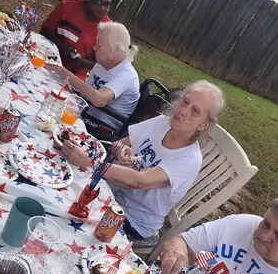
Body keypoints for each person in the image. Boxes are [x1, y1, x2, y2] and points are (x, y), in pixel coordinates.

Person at [60, 80, 224, 240]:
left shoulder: (189, 160)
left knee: (67, 220)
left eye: (195, 111)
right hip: (108, 191)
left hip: (131, 218)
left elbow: (139, 181)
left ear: (204, 125)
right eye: (185, 102)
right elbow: (120, 144)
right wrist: (122, 150)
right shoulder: (162, 122)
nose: (183, 111)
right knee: (62, 183)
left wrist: (92, 163)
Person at [46, 21, 140, 121]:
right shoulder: (103, 63)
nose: (94, 48)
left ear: (115, 50)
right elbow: (83, 92)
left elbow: (98, 100)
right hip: (87, 114)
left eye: (99, 45)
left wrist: (62, 71)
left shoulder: (126, 75)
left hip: (101, 127)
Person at [40, 0, 120, 80]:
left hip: (75, 75)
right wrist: (63, 47)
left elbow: (100, 66)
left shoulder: (107, 29)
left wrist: (80, 61)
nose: (102, 8)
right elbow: (45, 31)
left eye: (107, 4)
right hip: (47, 58)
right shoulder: (68, 6)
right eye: (98, 2)